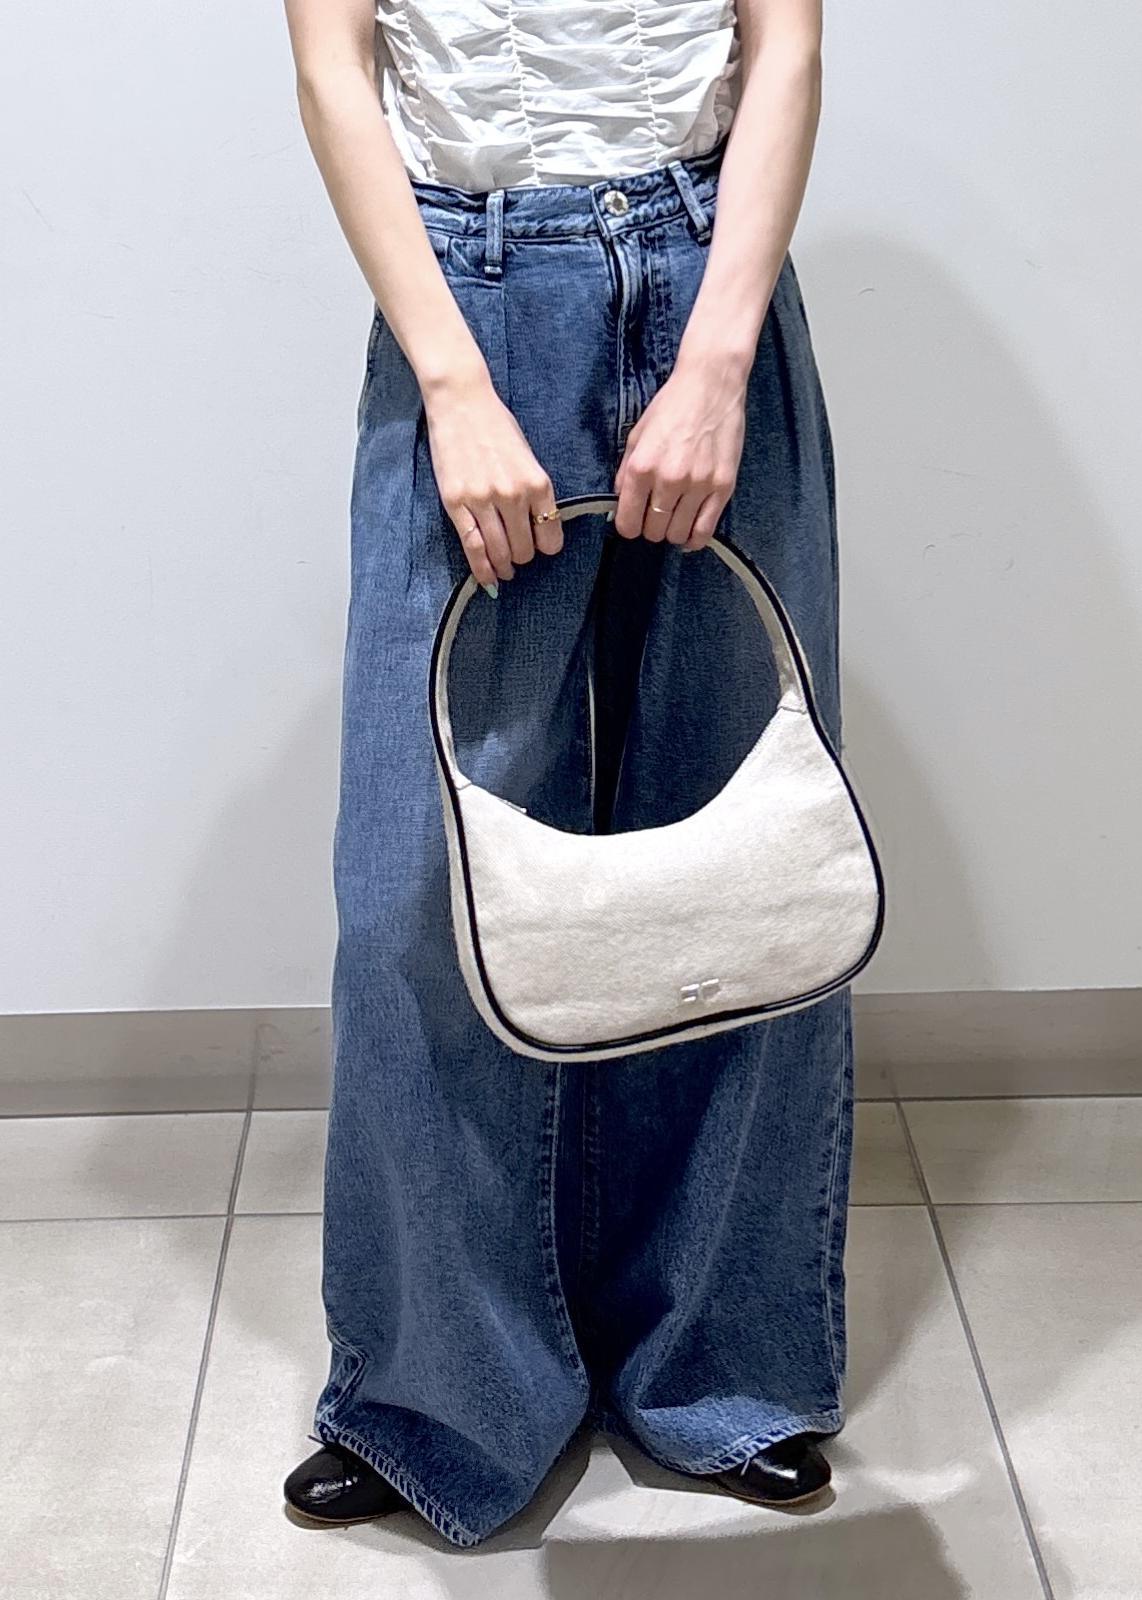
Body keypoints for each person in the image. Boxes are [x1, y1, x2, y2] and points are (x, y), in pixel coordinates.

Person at [281, 0, 851, 1550]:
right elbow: (333, 69)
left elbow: (784, 45)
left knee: (735, 852)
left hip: (706, 269)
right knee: (421, 888)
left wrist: (716, 362)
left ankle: (720, 1370)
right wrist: (454, 387)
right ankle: (438, 1397)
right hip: (463, 297)